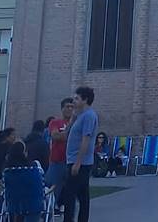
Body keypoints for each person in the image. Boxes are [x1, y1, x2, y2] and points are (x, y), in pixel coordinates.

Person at [63, 86, 98, 222]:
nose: (74, 101)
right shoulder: (79, 116)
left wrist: (78, 163)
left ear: (85, 100)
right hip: (73, 159)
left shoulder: (89, 116)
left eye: (77, 98)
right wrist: (72, 119)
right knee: (82, 195)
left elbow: (86, 140)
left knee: (70, 194)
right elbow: (66, 133)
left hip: (80, 162)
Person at [2, 139, 46, 222]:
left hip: (14, 205)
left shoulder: (7, 171)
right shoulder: (34, 168)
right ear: (24, 153)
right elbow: (41, 185)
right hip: (33, 204)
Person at [46, 97, 74, 213]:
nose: (70, 109)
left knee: (70, 192)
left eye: (72, 107)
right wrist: (69, 130)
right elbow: (55, 136)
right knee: (52, 190)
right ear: (62, 109)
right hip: (57, 161)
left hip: (71, 162)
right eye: (67, 106)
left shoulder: (78, 123)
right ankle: (48, 214)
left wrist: (64, 135)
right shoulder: (55, 122)